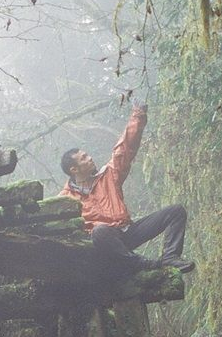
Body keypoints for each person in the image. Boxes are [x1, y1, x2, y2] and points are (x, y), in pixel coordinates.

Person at [60, 103, 192, 271]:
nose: (90, 158)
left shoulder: (108, 175)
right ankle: (141, 264)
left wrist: (138, 115)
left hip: (128, 232)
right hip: (104, 245)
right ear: (74, 169)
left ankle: (170, 257)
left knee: (176, 211)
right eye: (84, 158)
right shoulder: (65, 199)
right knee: (100, 231)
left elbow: (125, 148)